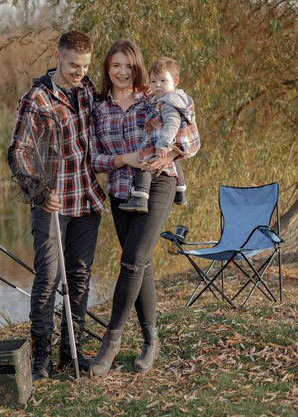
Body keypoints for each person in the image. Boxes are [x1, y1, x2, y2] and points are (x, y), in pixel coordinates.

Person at [89, 40, 199, 376]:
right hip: (121, 192)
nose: (121, 72)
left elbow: (190, 139)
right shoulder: (98, 108)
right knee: (142, 263)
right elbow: (94, 158)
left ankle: (112, 341)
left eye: (128, 66)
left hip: (158, 183)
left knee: (133, 259)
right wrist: (124, 159)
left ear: (137, 68)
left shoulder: (153, 98)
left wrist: (166, 155)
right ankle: (152, 341)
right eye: (115, 66)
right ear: (107, 68)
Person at [7, 30, 106, 381]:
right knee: (48, 279)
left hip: (87, 200)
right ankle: (41, 361)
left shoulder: (88, 90)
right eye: (74, 65)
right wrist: (36, 189)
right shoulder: (36, 99)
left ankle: (71, 354)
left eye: (85, 66)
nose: (79, 72)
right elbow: (17, 151)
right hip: (51, 203)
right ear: (58, 56)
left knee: (79, 279)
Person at [118, 56, 198, 213]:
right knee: (173, 160)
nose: (157, 85)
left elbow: (172, 124)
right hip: (166, 142)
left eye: (163, 81)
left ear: (175, 81)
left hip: (161, 141)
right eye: (153, 82)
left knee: (145, 161)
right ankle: (180, 190)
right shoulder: (166, 98)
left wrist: (163, 143)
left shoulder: (169, 102)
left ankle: (140, 197)